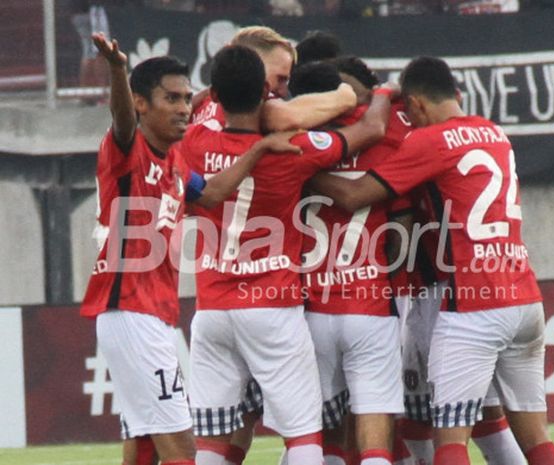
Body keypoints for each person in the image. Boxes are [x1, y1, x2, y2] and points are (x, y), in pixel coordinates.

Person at [309, 56, 554, 465]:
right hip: (524, 297)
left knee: (450, 441)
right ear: (457, 95)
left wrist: (296, 168)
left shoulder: (429, 141)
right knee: (536, 440)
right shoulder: (494, 133)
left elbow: (355, 196)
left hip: (472, 305)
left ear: (415, 105)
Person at [80, 33, 300, 465]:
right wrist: (119, 71)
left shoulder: (177, 162)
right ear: (142, 103)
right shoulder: (129, 149)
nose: (183, 108)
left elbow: (214, 193)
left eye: (186, 98)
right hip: (131, 313)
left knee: (144, 444)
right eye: (171, 99)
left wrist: (257, 150)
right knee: (182, 448)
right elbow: (123, 118)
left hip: (150, 315)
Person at [179, 45, 393, 465]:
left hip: (212, 309)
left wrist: (208, 96)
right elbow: (368, 132)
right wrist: (380, 93)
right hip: (272, 308)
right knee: (303, 435)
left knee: (210, 440)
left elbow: (198, 114)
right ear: (265, 92)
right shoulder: (293, 148)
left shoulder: (194, 140)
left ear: (216, 96)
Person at [287, 57, 411, 465]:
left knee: (315, 431)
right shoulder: (385, 134)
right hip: (371, 304)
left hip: (311, 308)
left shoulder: (291, 138)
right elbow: (401, 234)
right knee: (374, 420)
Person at [190, 25, 356, 132]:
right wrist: (345, 95)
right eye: (280, 79)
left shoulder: (203, 101)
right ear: (254, 63)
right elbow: (284, 118)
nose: (283, 91)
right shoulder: (255, 102)